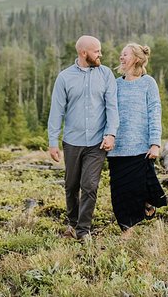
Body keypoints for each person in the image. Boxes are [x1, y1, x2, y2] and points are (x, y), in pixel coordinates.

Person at [47, 35, 118, 241]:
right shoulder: (65, 77)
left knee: (90, 185)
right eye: (97, 51)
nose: (100, 54)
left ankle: (83, 229)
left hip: (97, 143)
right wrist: (53, 142)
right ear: (83, 53)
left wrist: (111, 133)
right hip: (72, 141)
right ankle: (72, 222)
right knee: (71, 185)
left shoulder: (106, 75)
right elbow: (56, 111)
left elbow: (112, 107)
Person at [106, 42, 168, 231]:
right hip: (117, 150)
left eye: (125, 54)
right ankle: (127, 228)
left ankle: (135, 221)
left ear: (137, 59)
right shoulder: (115, 84)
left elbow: (154, 112)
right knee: (119, 194)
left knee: (137, 189)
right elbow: (108, 113)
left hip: (141, 148)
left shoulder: (148, 83)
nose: (121, 57)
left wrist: (155, 143)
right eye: (121, 54)